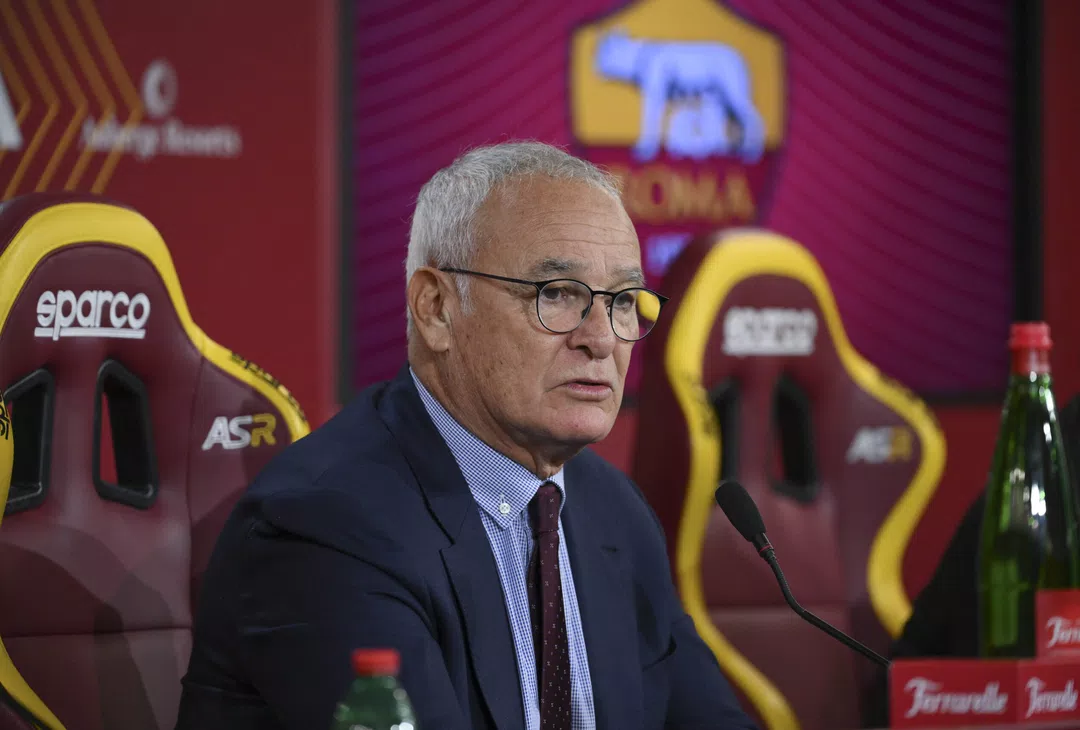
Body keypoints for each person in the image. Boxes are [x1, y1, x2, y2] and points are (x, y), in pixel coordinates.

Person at [175, 141, 757, 730]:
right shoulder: (329, 524)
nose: (602, 339)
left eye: (624, 301)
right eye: (557, 294)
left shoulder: (613, 510)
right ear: (436, 308)